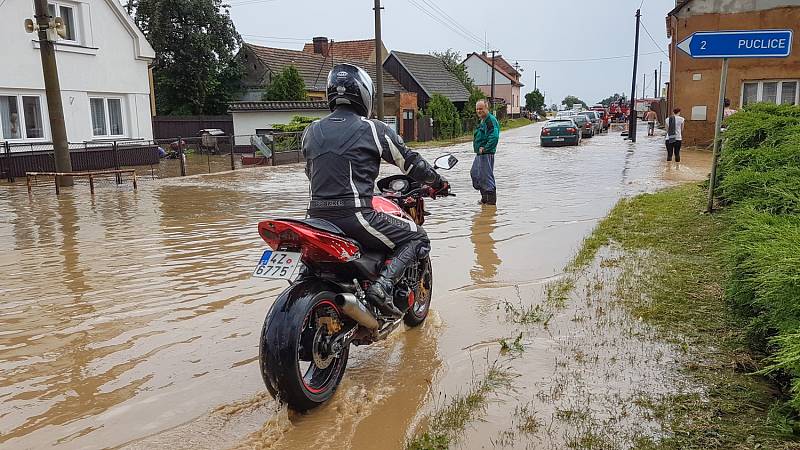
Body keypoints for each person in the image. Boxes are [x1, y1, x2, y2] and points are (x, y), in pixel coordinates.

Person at [301, 63, 449, 318]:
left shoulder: (310, 131)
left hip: (314, 219)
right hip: (355, 216)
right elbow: (411, 163)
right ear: (363, 94)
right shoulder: (373, 129)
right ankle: (381, 287)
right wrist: (437, 182)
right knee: (418, 237)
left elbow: (310, 172)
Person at [471, 100, 500, 205]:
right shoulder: (482, 120)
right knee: (475, 174)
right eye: (477, 109)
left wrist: (486, 148)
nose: (479, 111)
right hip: (479, 153)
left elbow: (495, 136)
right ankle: (484, 197)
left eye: (481, 108)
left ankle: (490, 202)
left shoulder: (490, 120)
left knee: (486, 176)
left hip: (486, 153)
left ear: (487, 109)